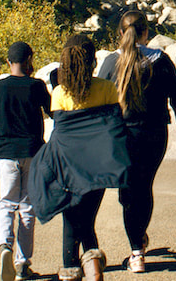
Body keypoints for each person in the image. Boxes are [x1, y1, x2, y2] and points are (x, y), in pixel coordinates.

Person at [97, 10, 176, 274]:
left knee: (128, 193)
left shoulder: (110, 62)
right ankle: (138, 242)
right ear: (146, 33)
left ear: (120, 33)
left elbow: (99, 101)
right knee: (144, 187)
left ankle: (137, 250)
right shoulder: (160, 60)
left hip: (121, 136)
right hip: (153, 135)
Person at [30, 34, 132, 281]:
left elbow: (61, 135)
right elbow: (113, 130)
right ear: (92, 62)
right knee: (86, 219)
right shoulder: (107, 89)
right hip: (98, 168)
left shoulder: (59, 93)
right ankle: (93, 267)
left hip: (68, 170)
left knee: (72, 221)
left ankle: (74, 270)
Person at [0, 41, 51, 281]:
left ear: (8, 62)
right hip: (32, 152)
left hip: (7, 153)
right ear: (29, 60)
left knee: (6, 203)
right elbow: (52, 110)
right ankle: (23, 264)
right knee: (27, 207)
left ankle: (4, 246)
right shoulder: (36, 85)